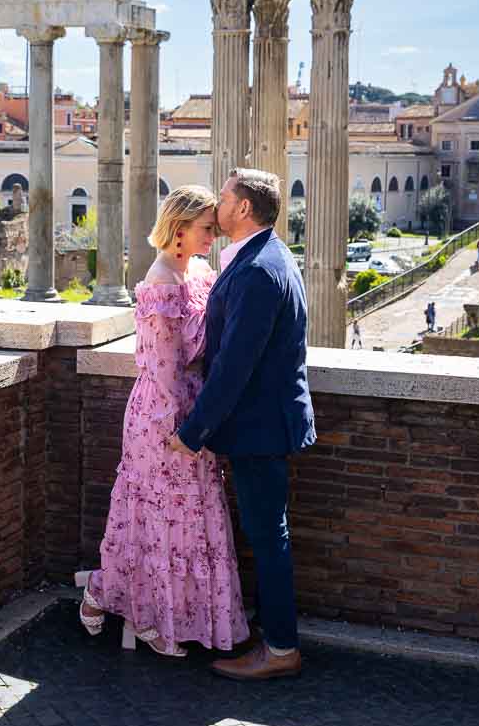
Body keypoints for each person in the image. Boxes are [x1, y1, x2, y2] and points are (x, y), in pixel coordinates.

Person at [75, 186, 247, 658]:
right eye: (206, 228)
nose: (214, 235)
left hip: (194, 406)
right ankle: (119, 600)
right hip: (162, 415)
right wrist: (182, 430)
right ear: (179, 229)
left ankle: (150, 613)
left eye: (214, 227)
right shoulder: (160, 281)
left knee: (188, 521)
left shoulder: (200, 271)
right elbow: (164, 366)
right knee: (157, 520)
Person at [170, 169, 315, 681]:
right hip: (265, 421)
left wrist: (192, 434)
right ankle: (272, 635)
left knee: (269, 535)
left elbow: (235, 365)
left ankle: (280, 650)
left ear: (245, 209)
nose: (218, 205)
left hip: (260, 427)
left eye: (226, 197)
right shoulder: (269, 255)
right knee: (265, 531)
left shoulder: (256, 271)